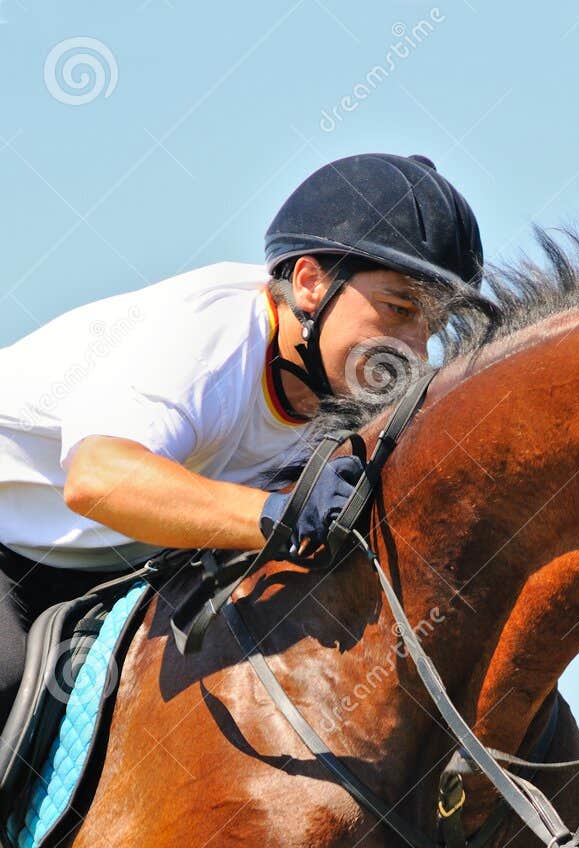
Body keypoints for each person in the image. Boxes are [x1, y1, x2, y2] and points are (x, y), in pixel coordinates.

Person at [0, 153, 485, 719]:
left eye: (433, 326)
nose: (416, 350)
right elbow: (98, 480)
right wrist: (277, 515)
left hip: (113, 571)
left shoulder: (350, 394)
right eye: (398, 309)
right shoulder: (206, 332)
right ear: (309, 283)